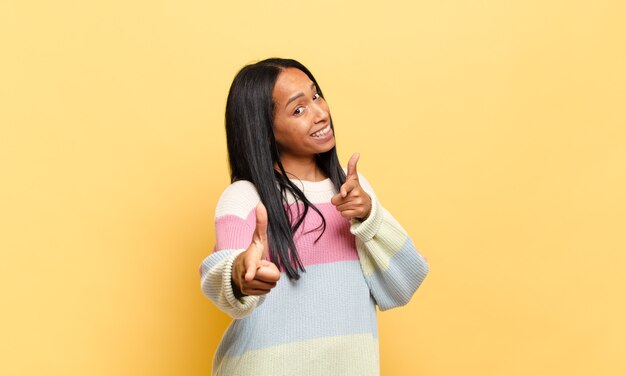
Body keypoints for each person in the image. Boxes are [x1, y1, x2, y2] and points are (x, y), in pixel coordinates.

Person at [199, 58, 429, 375]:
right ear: (265, 129)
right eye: (298, 109)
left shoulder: (354, 194)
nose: (321, 113)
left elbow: (404, 283)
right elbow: (224, 277)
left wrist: (369, 217)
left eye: (316, 96)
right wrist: (240, 274)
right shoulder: (245, 198)